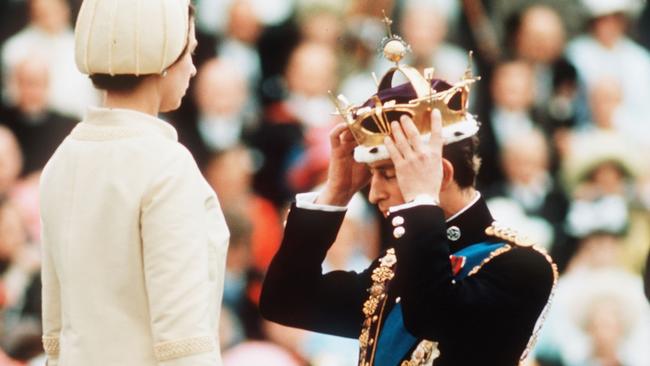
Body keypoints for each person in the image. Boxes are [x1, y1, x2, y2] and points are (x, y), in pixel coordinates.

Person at [260, 33, 557, 365]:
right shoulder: (394, 268)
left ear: (441, 173)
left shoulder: (520, 266)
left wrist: (420, 200)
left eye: (388, 174)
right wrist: (336, 193)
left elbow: (430, 315)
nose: (373, 194)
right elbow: (284, 301)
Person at [39, 1, 229, 365]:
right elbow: (183, 342)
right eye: (187, 53)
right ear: (160, 59)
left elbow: (56, 335)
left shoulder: (62, 160)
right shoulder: (167, 166)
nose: (191, 68)